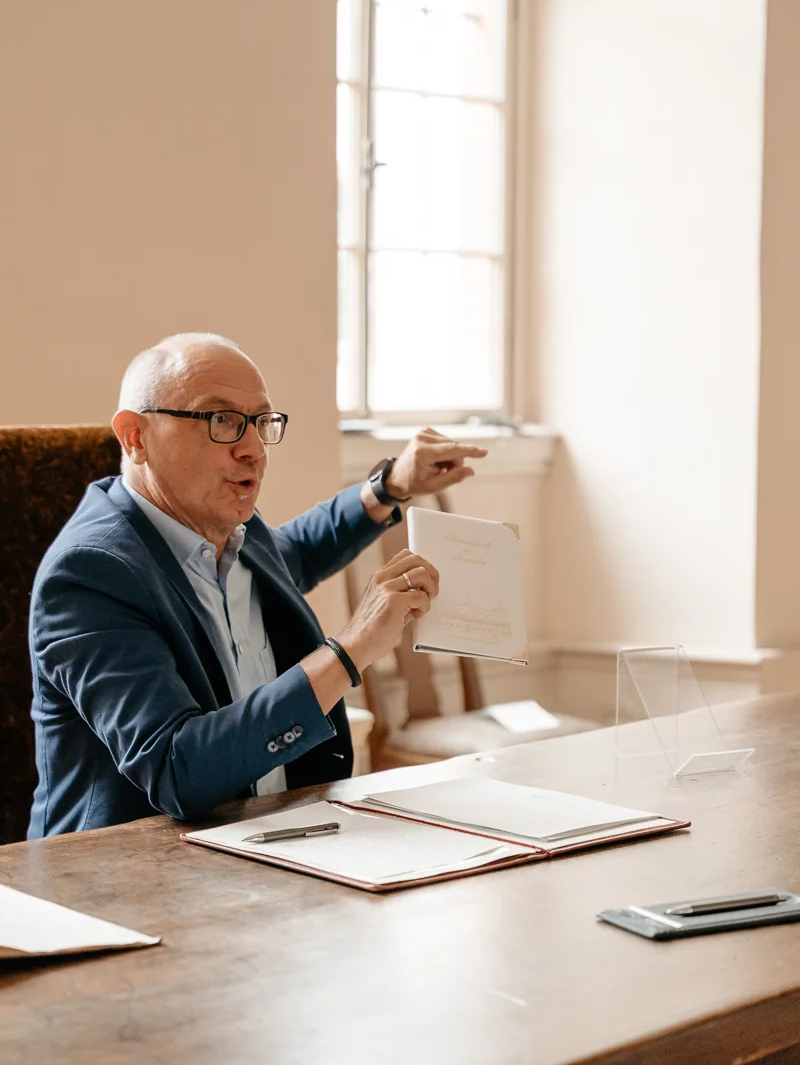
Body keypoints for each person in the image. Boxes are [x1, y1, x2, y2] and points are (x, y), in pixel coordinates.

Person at [27, 333, 487, 837]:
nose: (252, 450)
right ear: (136, 437)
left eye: (261, 422)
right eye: (221, 421)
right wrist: (350, 650)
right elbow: (176, 769)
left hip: (275, 838)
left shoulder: (231, 533)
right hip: (129, 869)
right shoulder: (91, 574)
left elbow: (298, 551)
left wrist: (391, 485)